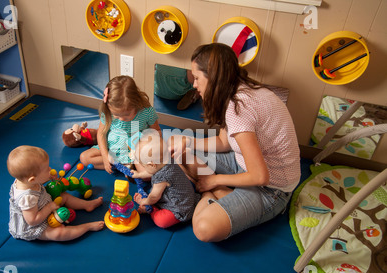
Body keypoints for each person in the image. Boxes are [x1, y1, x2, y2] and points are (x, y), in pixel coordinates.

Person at [170, 43, 301, 242]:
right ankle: (222, 193)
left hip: (271, 189)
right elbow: (224, 142)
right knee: (179, 153)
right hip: (242, 163)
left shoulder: (238, 109)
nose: (194, 85)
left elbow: (260, 176)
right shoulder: (238, 90)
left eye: (197, 78)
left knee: (203, 229)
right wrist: (188, 141)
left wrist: (214, 181)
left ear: (213, 77)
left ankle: (215, 193)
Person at [7, 145, 104, 241]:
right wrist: (49, 208)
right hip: (35, 225)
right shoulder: (26, 198)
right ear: (32, 179)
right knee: (59, 233)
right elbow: (32, 221)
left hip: (43, 204)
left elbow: (37, 182)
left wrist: (49, 178)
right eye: (46, 169)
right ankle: (87, 227)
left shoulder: (26, 180)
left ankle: (87, 205)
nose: (50, 169)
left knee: (64, 196)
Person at [80, 76, 161, 174]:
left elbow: (156, 132)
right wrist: (105, 157)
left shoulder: (147, 111)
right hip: (112, 149)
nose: (122, 119)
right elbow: (101, 134)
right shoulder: (107, 112)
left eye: (126, 115)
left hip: (136, 151)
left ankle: (128, 165)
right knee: (84, 158)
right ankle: (122, 165)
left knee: (148, 174)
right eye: (117, 115)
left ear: (136, 102)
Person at [131, 132, 200, 228]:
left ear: (152, 164)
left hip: (179, 209)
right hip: (187, 197)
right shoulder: (165, 160)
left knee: (161, 221)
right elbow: (151, 171)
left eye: (144, 166)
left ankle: (151, 210)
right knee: (153, 190)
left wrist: (144, 201)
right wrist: (138, 174)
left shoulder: (161, 178)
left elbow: (154, 197)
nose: (144, 168)